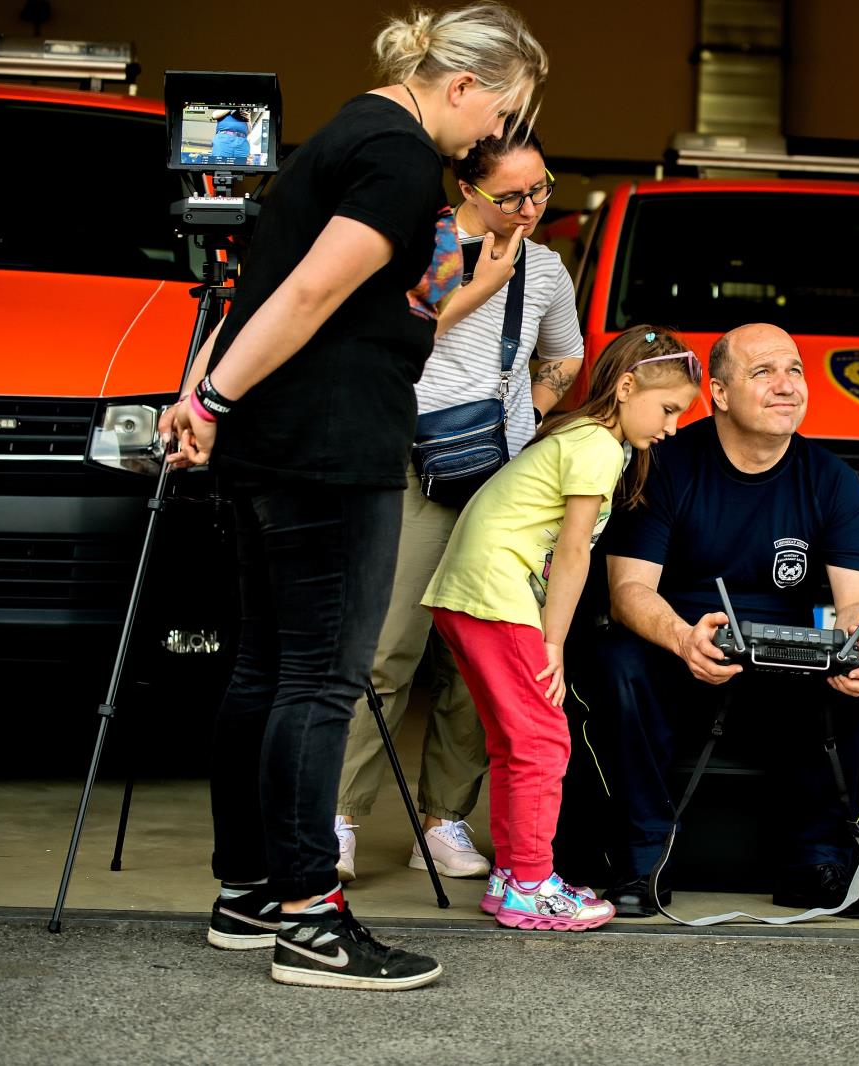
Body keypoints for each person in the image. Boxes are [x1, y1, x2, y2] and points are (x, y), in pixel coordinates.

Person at [158, 4, 547, 991]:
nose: (496, 140)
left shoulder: (347, 136)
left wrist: (205, 393)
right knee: (321, 681)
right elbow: (304, 299)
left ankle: (248, 893)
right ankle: (309, 919)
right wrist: (209, 393)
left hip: (272, 443)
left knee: (263, 670)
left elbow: (378, 301)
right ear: (461, 87)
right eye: (502, 115)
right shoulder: (400, 153)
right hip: (329, 449)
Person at [333, 127, 583, 884]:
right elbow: (386, 340)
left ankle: (444, 821)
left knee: (481, 663)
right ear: (466, 190)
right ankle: (338, 817)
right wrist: (477, 285)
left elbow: (564, 357)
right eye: (512, 196)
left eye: (541, 189)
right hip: (408, 467)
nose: (531, 207)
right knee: (386, 652)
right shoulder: (417, 245)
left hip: (498, 478)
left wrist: (520, 417)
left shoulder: (545, 269)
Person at [585, 322, 859, 919]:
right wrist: (683, 639)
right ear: (720, 392)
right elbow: (628, 591)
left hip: (789, 671)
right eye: (764, 372)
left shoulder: (831, 480)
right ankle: (642, 858)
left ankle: (818, 860)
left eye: (795, 371)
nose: (787, 386)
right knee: (617, 662)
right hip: (684, 654)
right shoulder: (665, 463)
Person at [422, 326, 702, 930]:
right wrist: (554, 644)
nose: (673, 427)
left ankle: (513, 875)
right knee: (544, 742)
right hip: (497, 596)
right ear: (627, 387)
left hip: (468, 593)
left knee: (514, 740)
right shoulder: (600, 446)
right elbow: (575, 553)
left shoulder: (590, 437)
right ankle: (529, 883)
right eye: (669, 409)